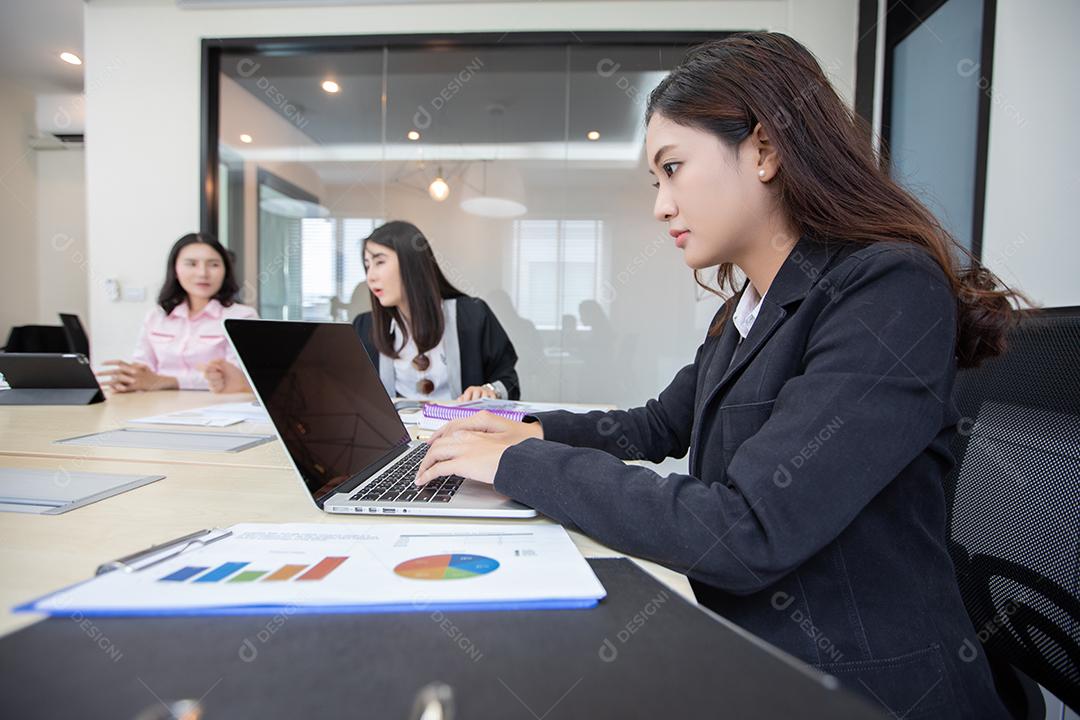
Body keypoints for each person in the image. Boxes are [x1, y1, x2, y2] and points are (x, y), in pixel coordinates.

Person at [414, 33, 1017, 718]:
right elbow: (655, 425)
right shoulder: (749, 309)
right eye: (655, 181)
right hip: (753, 643)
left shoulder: (884, 291)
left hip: (862, 687)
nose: (661, 205)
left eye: (673, 169)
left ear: (764, 149)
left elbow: (746, 529)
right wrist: (520, 428)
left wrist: (522, 462)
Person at [352, 221, 520, 401]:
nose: (370, 277)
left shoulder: (472, 316)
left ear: (412, 263)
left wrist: (490, 390)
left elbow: (509, 381)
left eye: (379, 262)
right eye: (367, 265)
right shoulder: (364, 327)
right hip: (393, 429)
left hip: (460, 427)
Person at [99, 233, 257, 393]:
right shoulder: (156, 317)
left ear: (225, 271)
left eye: (213, 264)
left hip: (216, 409)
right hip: (155, 407)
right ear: (175, 269)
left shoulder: (242, 317)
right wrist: (129, 378)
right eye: (191, 264)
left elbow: (238, 379)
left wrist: (166, 381)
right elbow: (143, 368)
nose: (202, 273)